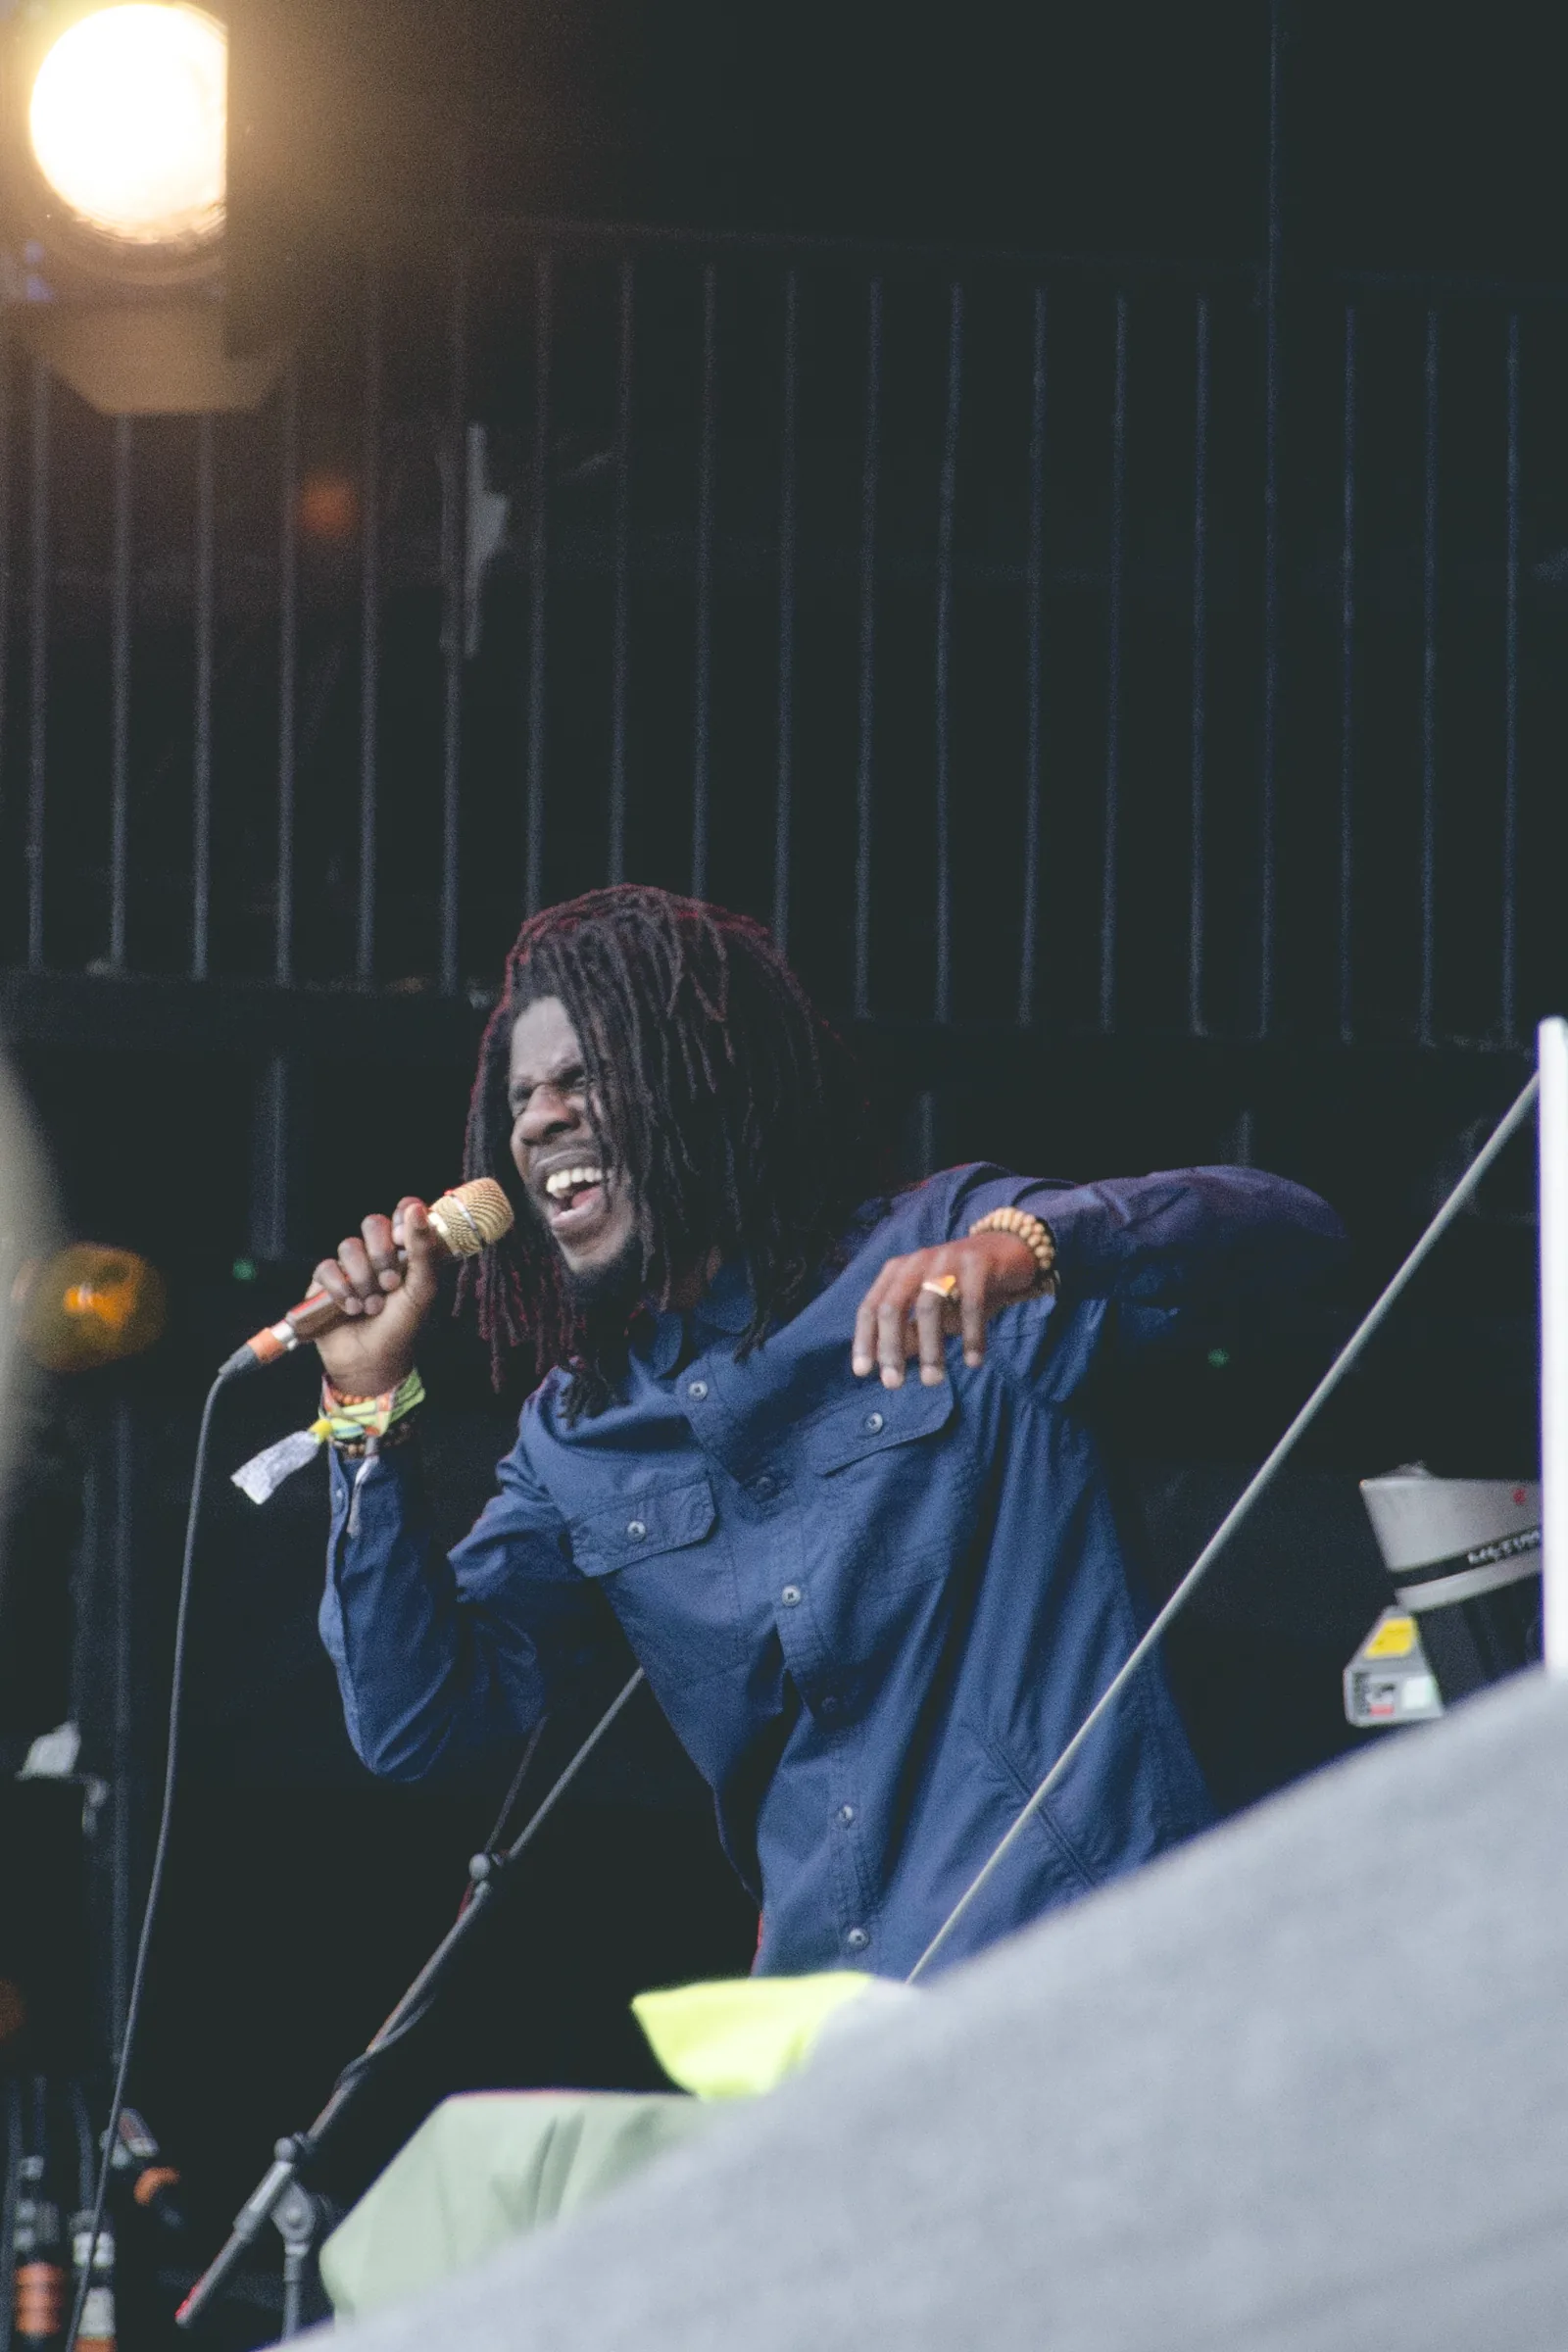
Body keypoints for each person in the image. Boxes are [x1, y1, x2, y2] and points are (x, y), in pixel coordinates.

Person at [311, 887, 1343, 1980]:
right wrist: (364, 1407)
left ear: (706, 1079)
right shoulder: (580, 1433)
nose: (538, 1120)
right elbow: (415, 1725)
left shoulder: (942, 1249)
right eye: (523, 1098)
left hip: (1079, 1962)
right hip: (835, 2012)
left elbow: (1293, 1232)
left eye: (583, 1078)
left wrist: (1036, 1245)